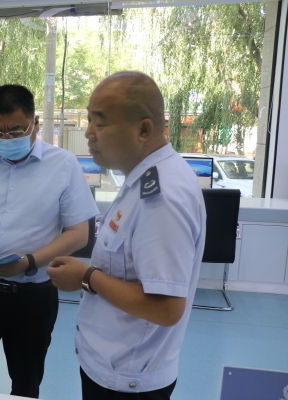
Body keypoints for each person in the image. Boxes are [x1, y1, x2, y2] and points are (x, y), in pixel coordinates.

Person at [47, 72, 206, 400]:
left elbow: (167, 309)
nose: (88, 133)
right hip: (113, 368)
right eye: (89, 119)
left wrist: (86, 277)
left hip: (127, 382)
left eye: (100, 122)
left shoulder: (161, 197)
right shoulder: (141, 178)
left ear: (143, 130)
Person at [0, 84, 98, 399]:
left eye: (15, 131)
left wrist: (29, 262)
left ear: (35, 123)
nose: (6, 138)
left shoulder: (63, 164)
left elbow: (78, 233)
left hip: (33, 297)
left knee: (26, 385)